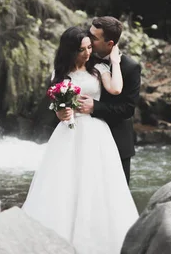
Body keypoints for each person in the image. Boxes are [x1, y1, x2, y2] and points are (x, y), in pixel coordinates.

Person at [22, 26, 138, 254]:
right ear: (70, 51)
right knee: (64, 181)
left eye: (88, 47)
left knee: (98, 181)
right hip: (69, 132)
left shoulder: (98, 68)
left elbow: (115, 90)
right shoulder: (59, 75)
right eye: (82, 49)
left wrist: (114, 62)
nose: (87, 52)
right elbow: (56, 106)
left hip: (96, 131)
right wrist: (60, 113)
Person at [75, 16, 141, 184]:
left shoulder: (130, 68)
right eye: (89, 33)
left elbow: (127, 109)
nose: (88, 39)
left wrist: (95, 106)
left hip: (117, 142)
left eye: (94, 38)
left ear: (110, 44)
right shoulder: (82, 57)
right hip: (83, 140)